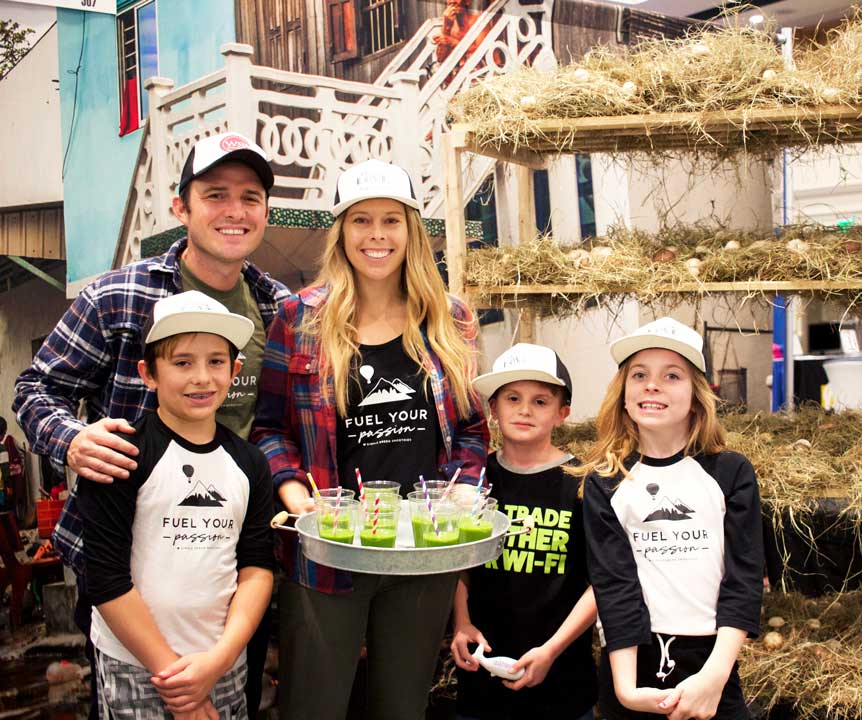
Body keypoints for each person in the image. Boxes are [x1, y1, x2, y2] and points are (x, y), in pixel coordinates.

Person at [12, 132, 288, 717]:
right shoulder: (119, 297)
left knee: (228, 694)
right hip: (129, 572)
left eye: (251, 196)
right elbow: (35, 388)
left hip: (229, 568)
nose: (235, 211)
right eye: (215, 194)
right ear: (180, 206)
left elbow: (277, 422)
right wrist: (74, 440)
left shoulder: (278, 308)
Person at [250, 158, 489, 719]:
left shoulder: (449, 319)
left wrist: (464, 487)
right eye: (360, 221)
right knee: (314, 704)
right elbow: (268, 427)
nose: (376, 236)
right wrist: (290, 490)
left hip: (422, 550)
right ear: (341, 232)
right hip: (330, 549)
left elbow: (473, 429)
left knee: (402, 706)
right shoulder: (299, 317)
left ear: (411, 231)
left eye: (390, 220)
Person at [80, 291, 274, 719]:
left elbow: (257, 568)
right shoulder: (119, 455)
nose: (202, 377)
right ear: (148, 374)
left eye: (216, 362)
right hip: (137, 665)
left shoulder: (251, 464)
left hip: (221, 662)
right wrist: (176, 681)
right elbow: (106, 579)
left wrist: (219, 660)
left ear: (235, 370)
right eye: (182, 362)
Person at [576, 317, 764, 720]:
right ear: (624, 396)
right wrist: (627, 692)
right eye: (639, 375)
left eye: (671, 375)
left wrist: (714, 677)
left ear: (696, 396)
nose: (652, 385)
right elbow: (614, 586)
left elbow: (743, 580)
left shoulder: (730, 473)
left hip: (711, 662)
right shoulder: (605, 483)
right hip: (632, 662)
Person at [451, 343, 598, 720]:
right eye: (512, 398)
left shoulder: (583, 484)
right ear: (493, 409)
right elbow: (457, 564)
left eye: (540, 401)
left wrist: (551, 650)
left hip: (563, 683)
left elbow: (602, 582)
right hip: (481, 681)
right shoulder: (474, 483)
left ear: (562, 413)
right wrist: (462, 623)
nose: (524, 410)